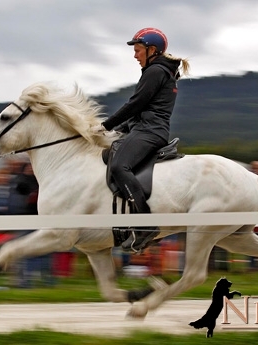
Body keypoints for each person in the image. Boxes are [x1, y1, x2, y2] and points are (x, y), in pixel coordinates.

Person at [89, 27, 190, 253]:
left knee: (119, 166)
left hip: (149, 132)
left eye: (138, 50)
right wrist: (114, 131)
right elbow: (139, 111)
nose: (135, 55)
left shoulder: (155, 72)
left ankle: (145, 225)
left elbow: (135, 104)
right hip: (143, 128)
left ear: (151, 50)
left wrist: (106, 125)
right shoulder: (157, 70)